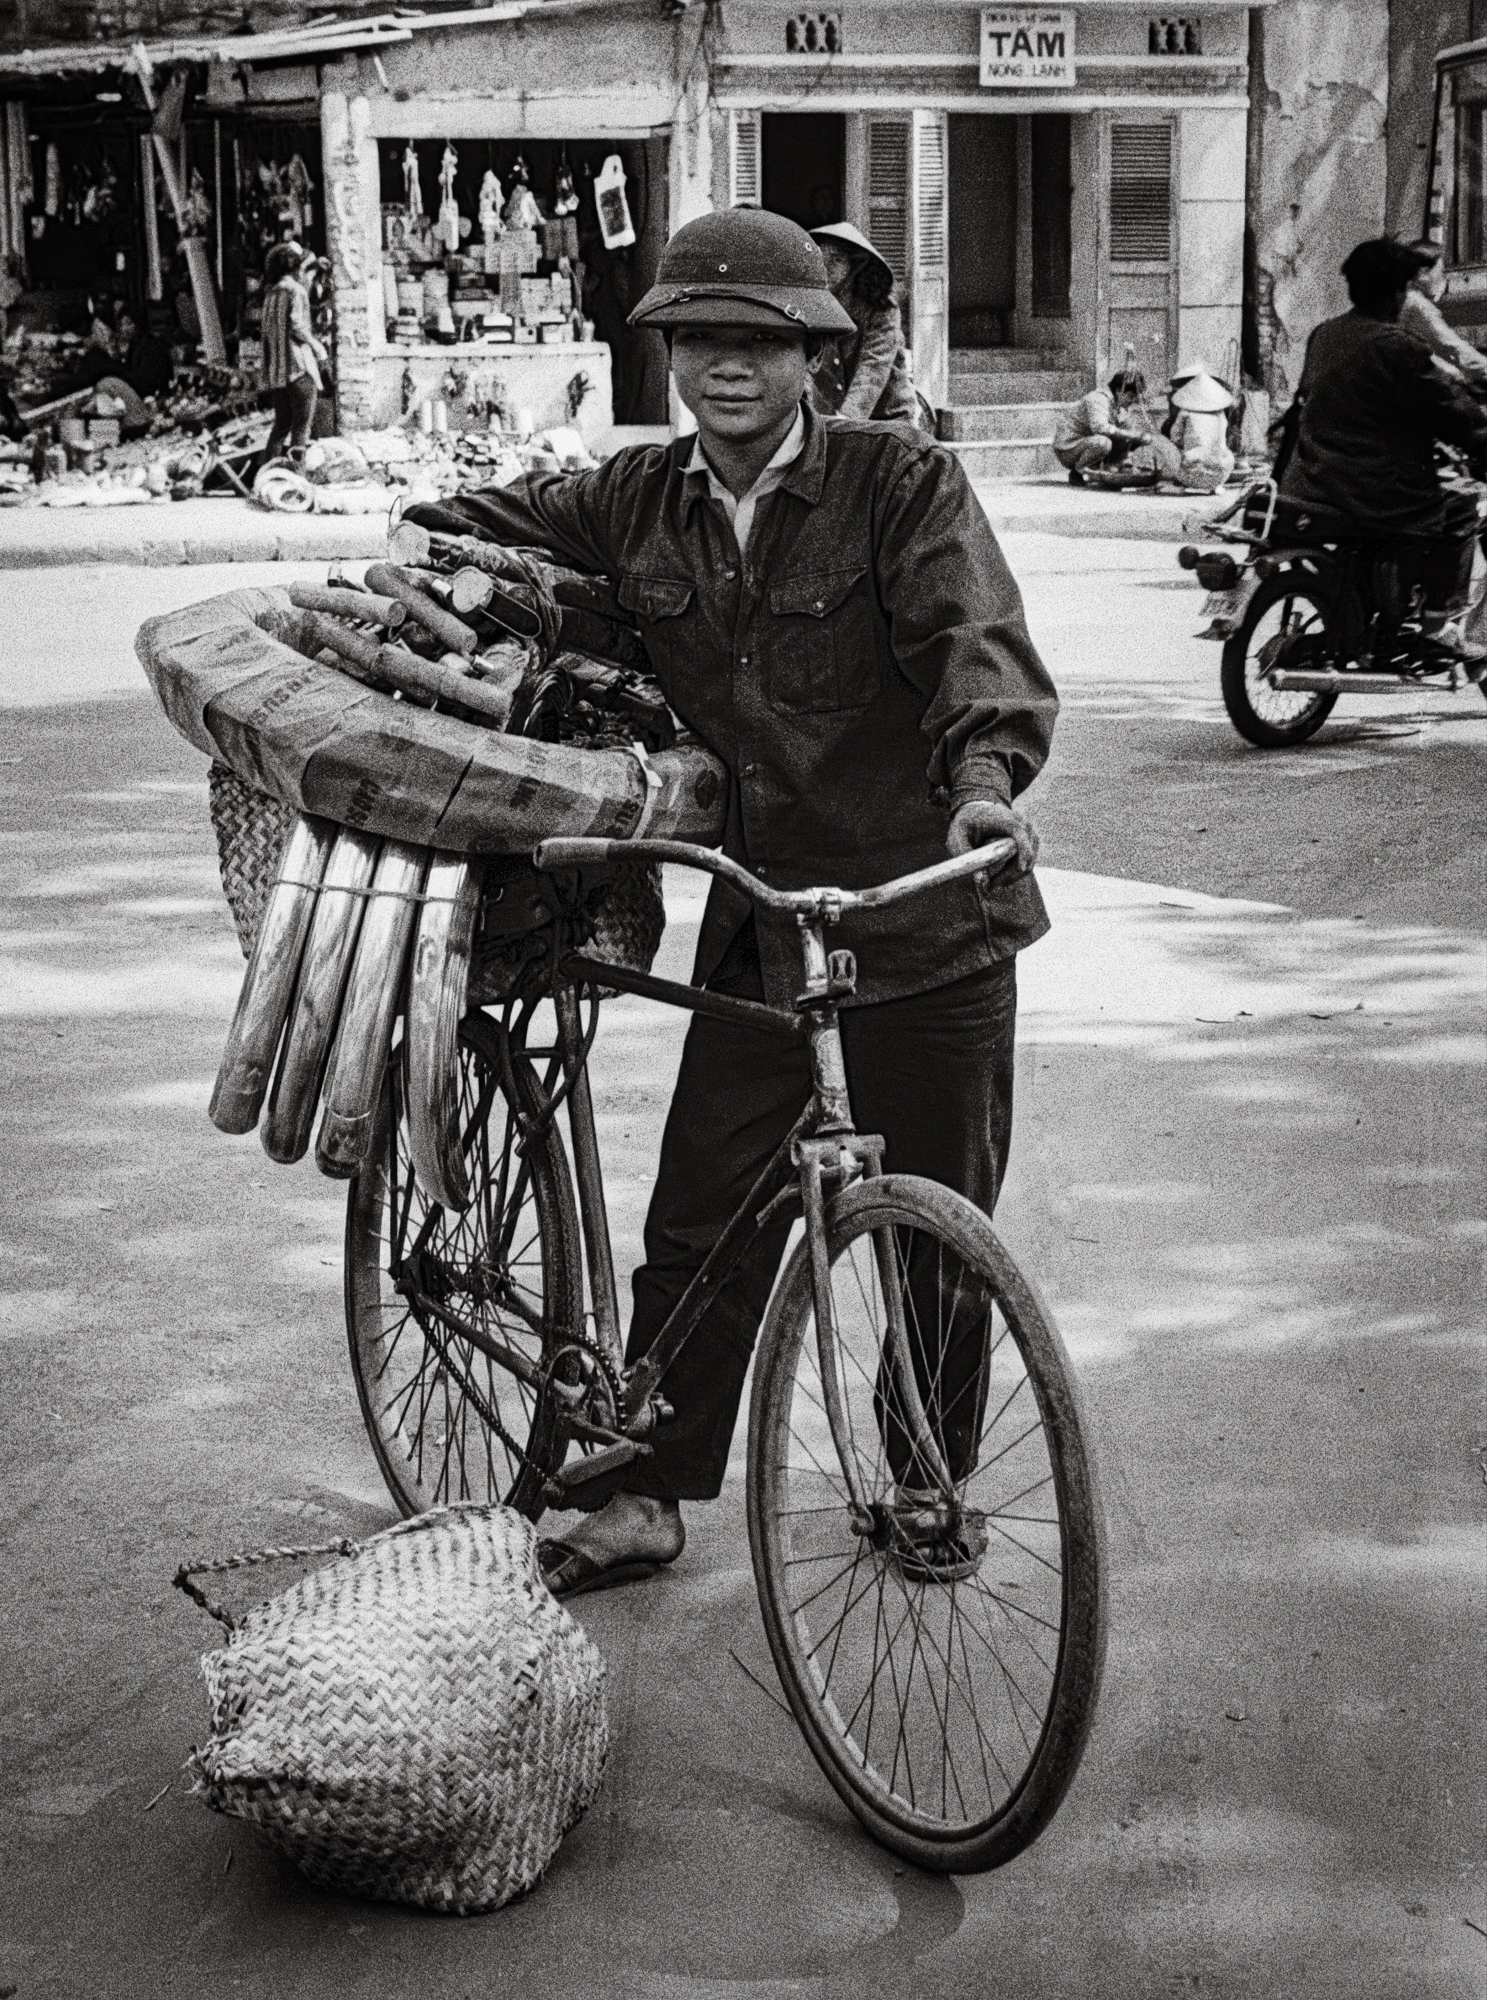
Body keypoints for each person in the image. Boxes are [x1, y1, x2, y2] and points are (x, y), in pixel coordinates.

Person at [407, 208, 1057, 1595]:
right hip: (766, 926)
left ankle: (925, 1480)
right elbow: (498, 520)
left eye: (757, 342)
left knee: (932, 1237)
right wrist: (420, 550)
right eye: (698, 340)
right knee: (701, 1220)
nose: (726, 367)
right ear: (665, 356)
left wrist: (985, 784)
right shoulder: (638, 500)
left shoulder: (900, 486)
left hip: (926, 921)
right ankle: (644, 1489)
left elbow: (975, 652)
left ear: (812, 355)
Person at [1281, 235, 1487, 659]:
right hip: (1375, 487)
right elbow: (1451, 414)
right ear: (1399, 292)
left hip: (1315, 476)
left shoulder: (1325, 334)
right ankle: (1438, 625)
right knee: (1463, 506)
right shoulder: (1397, 346)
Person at [806, 221, 918, 423]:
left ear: (854, 266)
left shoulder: (881, 309)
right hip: (832, 420)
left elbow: (873, 368)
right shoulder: (812, 307)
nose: (826, 268)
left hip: (889, 418)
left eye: (836, 260)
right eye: (820, 260)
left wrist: (847, 421)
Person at [260, 241, 327, 459]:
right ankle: (297, 475)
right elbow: (297, 325)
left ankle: (268, 474)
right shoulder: (296, 291)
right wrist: (317, 346)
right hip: (299, 367)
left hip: (278, 372)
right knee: (301, 427)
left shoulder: (271, 294)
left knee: (280, 427)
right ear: (296, 267)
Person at [1398, 240, 1487, 393]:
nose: (1443, 279)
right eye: (1441, 272)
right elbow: (1453, 347)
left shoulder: (1402, 297)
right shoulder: (1416, 304)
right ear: (1423, 274)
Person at [1053, 369, 1151, 482]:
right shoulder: (1098, 399)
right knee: (1103, 443)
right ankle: (1077, 471)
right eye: (1131, 396)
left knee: (1127, 434)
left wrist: (1139, 437)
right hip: (1069, 450)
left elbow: (1127, 431)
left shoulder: (1119, 406)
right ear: (1119, 390)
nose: (1133, 400)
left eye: (1135, 397)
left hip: (1088, 445)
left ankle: (1112, 468)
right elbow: (1100, 428)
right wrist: (1133, 435)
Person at [1163, 364, 1236, 492]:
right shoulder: (1220, 414)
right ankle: (1214, 486)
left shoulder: (1185, 412)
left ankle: (1181, 483)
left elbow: (1175, 439)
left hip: (1192, 474)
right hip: (1221, 474)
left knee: (1165, 445)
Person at [116, 306, 172, 399]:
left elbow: (147, 381)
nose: (124, 329)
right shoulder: (134, 345)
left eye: (129, 323)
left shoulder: (150, 345)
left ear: (139, 324)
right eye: (122, 325)